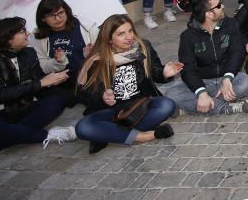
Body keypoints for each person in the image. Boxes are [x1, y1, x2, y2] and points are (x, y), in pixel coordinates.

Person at [0, 17, 77, 168]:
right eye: (22, 31)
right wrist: (41, 83)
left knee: (56, 100)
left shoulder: (28, 53)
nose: (28, 34)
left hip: (25, 106)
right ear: (6, 38)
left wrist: (52, 79)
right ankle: (49, 135)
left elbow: (38, 80)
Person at [75, 15, 179, 154]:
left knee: (166, 105)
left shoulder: (142, 47)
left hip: (138, 107)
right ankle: (144, 136)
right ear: (109, 38)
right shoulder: (97, 59)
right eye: (121, 34)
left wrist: (165, 73)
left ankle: (109, 132)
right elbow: (83, 94)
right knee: (82, 127)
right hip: (108, 111)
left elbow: (155, 72)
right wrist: (102, 97)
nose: (128, 37)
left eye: (130, 31)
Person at [174, 0, 248, 115]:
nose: (223, 6)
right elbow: (188, 68)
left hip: (227, 78)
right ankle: (223, 107)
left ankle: (198, 105)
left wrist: (228, 78)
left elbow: (237, 52)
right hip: (203, 81)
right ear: (209, 14)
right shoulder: (187, 36)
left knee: (246, 83)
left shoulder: (231, 24)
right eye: (218, 6)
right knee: (172, 95)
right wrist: (201, 92)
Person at [31, 0, 99, 94]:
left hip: (89, 78)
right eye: (51, 15)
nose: (58, 18)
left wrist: (91, 56)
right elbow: (43, 67)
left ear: (67, 11)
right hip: (60, 85)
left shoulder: (86, 27)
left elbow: (105, 53)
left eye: (61, 13)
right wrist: (58, 62)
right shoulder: (38, 37)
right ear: (43, 19)